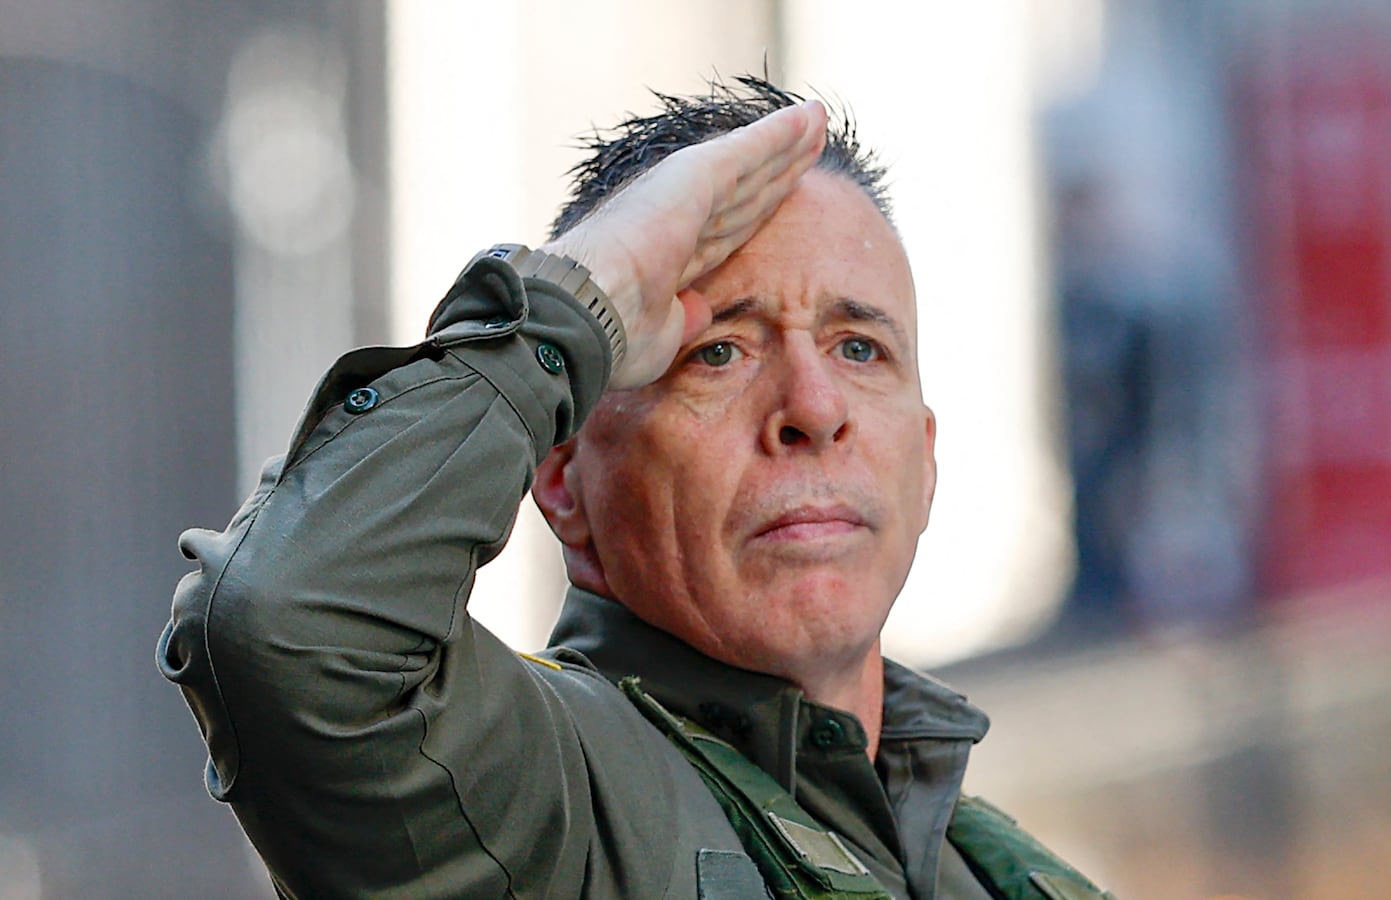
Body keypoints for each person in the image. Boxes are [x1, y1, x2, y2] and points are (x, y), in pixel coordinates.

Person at [160, 76, 1112, 899]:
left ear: (927, 460)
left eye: (859, 348)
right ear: (562, 478)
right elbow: (291, 625)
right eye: (719, 352)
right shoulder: (547, 804)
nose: (814, 409)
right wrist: (579, 295)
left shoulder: (1002, 871)